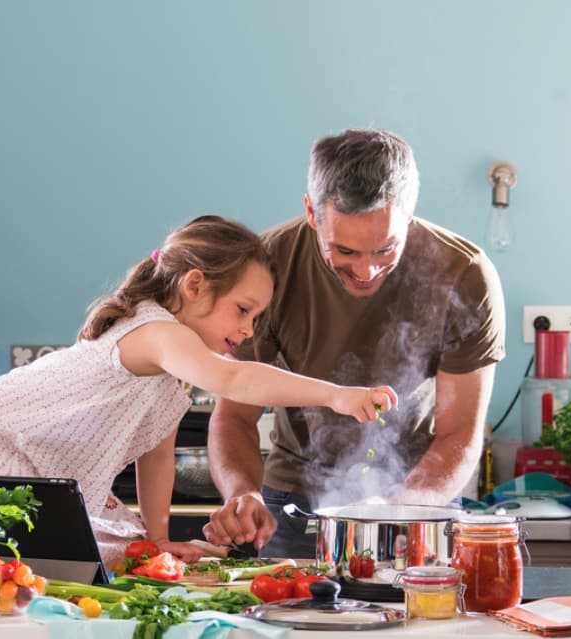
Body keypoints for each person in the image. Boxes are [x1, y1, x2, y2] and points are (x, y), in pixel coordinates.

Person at [0, 215, 397, 568]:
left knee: (118, 554)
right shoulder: (158, 332)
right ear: (195, 286)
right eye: (243, 310)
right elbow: (235, 379)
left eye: (256, 317)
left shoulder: (173, 370)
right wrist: (337, 395)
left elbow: (156, 457)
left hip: (27, 470)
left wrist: (159, 537)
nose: (249, 330)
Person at [203, 129, 506, 559]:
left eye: (386, 250)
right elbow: (234, 413)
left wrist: (401, 510)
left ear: (409, 214)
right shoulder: (267, 266)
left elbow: (459, 433)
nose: (365, 271)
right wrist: (241, 494)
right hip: (293, 502)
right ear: (311, 211)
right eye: (343, 251)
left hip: (418, 497)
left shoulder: (465, 274)